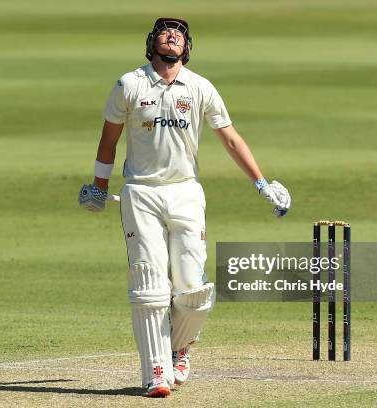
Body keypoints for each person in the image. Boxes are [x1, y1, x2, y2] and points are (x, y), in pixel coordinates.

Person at [79, 17, 291, 398]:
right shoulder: (130, 84)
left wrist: (262, 183)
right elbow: (108, 140)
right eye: (165, 31)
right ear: (152, 42)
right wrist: (98, 187)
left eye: (179, 33)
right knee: (149, 285)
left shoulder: (199, 87)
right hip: (141, 192)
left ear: (187, 48)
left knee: (194, 291)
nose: (172, 35)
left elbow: (229, 139)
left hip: (186, 193)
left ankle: (179, 347)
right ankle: (156, 372)